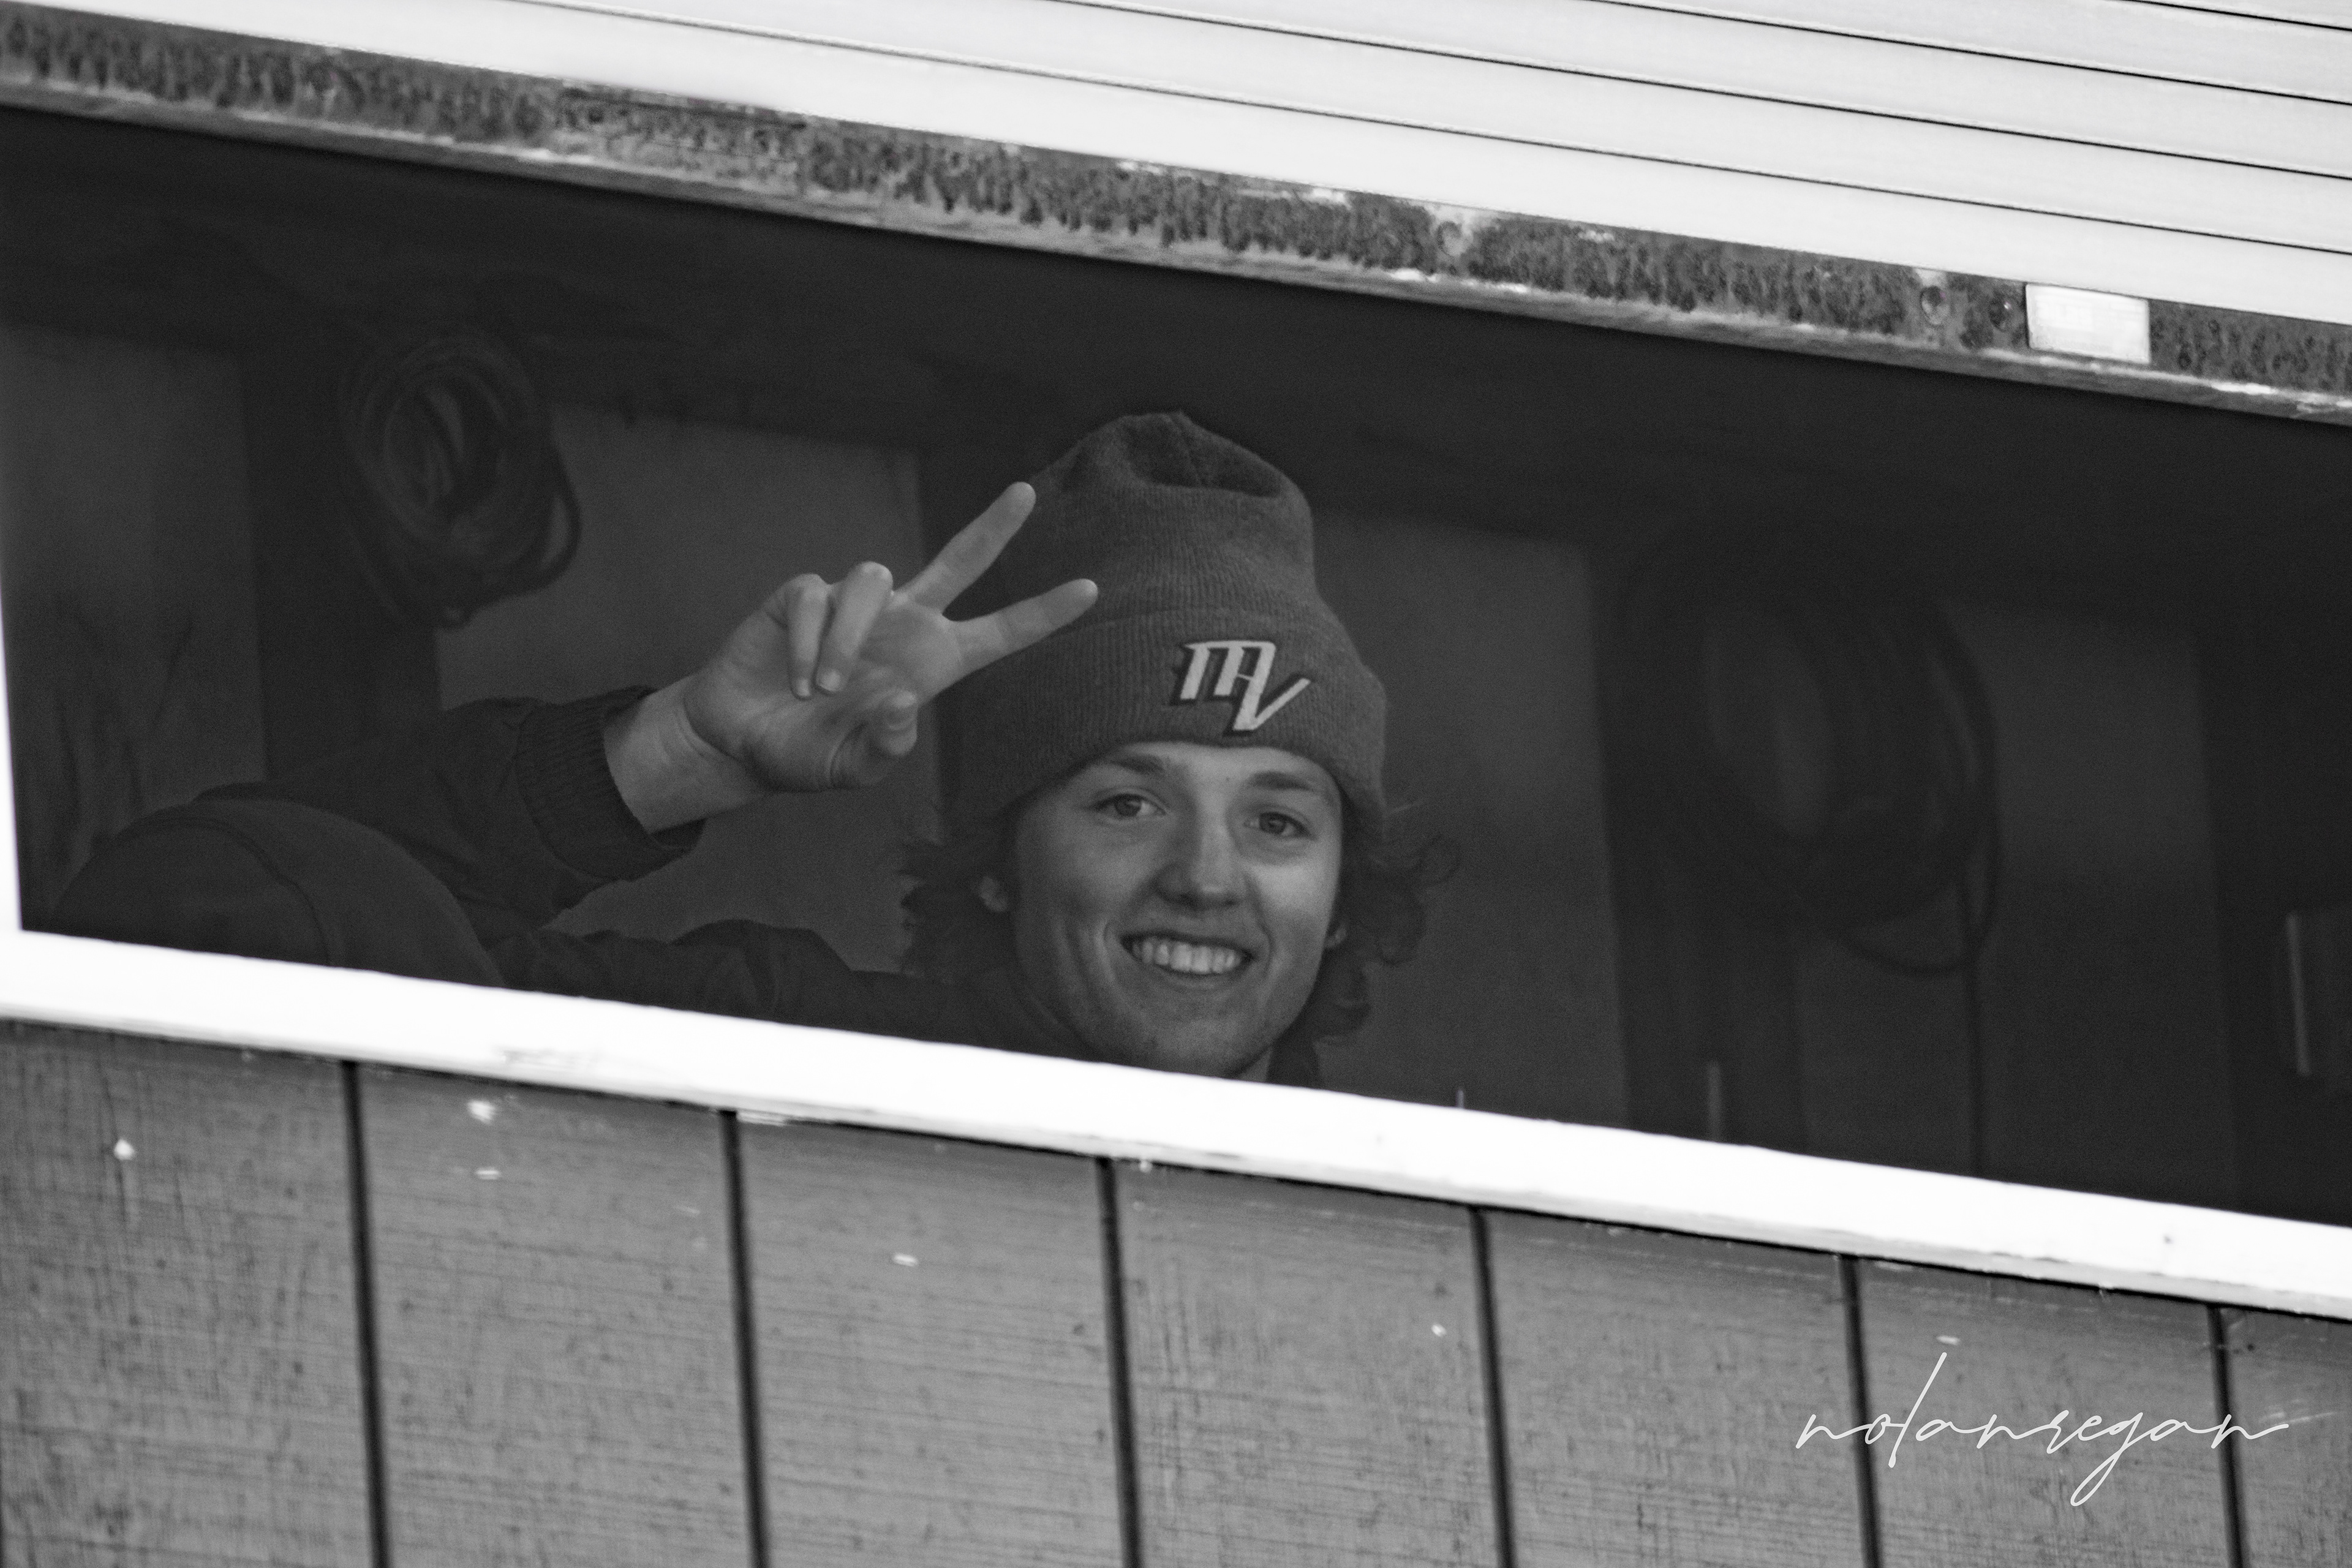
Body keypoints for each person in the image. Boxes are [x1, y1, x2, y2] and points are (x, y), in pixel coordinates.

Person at [53, 413, 1441, 1085]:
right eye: (1129, 802)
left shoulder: (1447, 1196)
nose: (1207, 876)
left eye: (1278, 819)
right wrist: (673, 755)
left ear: (1340, 896)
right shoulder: (797, 1049)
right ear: (1000, 860)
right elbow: (191, 917)